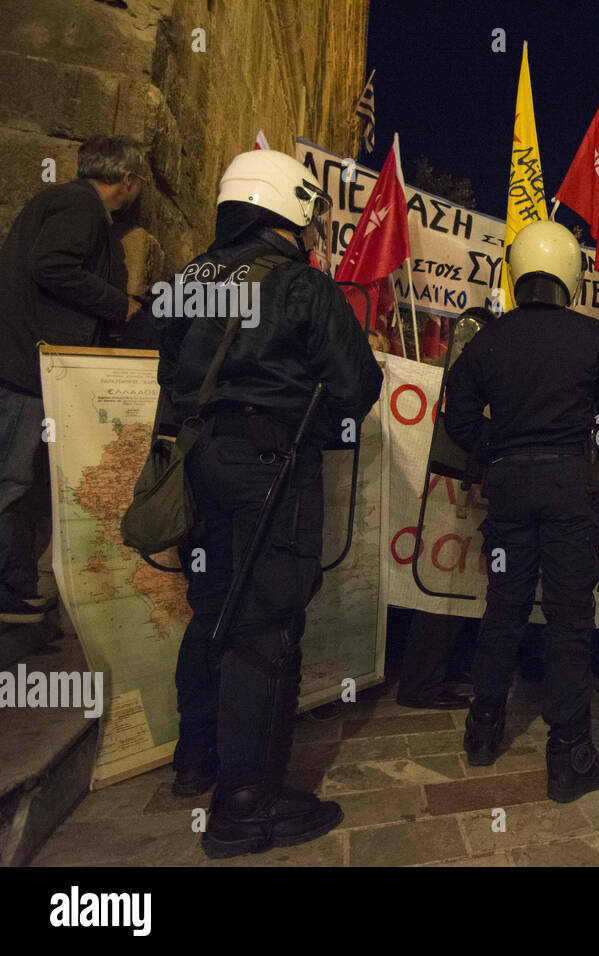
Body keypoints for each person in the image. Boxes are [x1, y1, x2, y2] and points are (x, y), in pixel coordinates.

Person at [158, 149, 382, 857]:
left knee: (212, 612)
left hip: (198, 463)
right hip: (268, 468)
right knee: (264, 627)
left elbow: (170, 376)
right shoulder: (300, 286)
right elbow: (356, 385)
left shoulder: (189, 279)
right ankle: (246, 806)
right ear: (292, 208)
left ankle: (197, 760)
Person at [444, 220, 599, 803]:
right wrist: (584, 449)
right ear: (572, 276)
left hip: (510, 485)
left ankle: (482, 734)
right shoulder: (595, 338)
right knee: (570, 619)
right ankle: (568, 757)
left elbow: (458, 415)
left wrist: (492, 451)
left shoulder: (488, 340)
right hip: (569, 486)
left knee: (504, 607)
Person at [0, 135, 148, 624]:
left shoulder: (70, 204)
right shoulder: (78, 206)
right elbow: (51, 264)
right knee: (14, 479)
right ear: (126, 180)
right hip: (25, 369)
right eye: (138, 181)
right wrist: (117, 304)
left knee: (24, 482)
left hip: (29, 366)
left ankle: (15, 586)